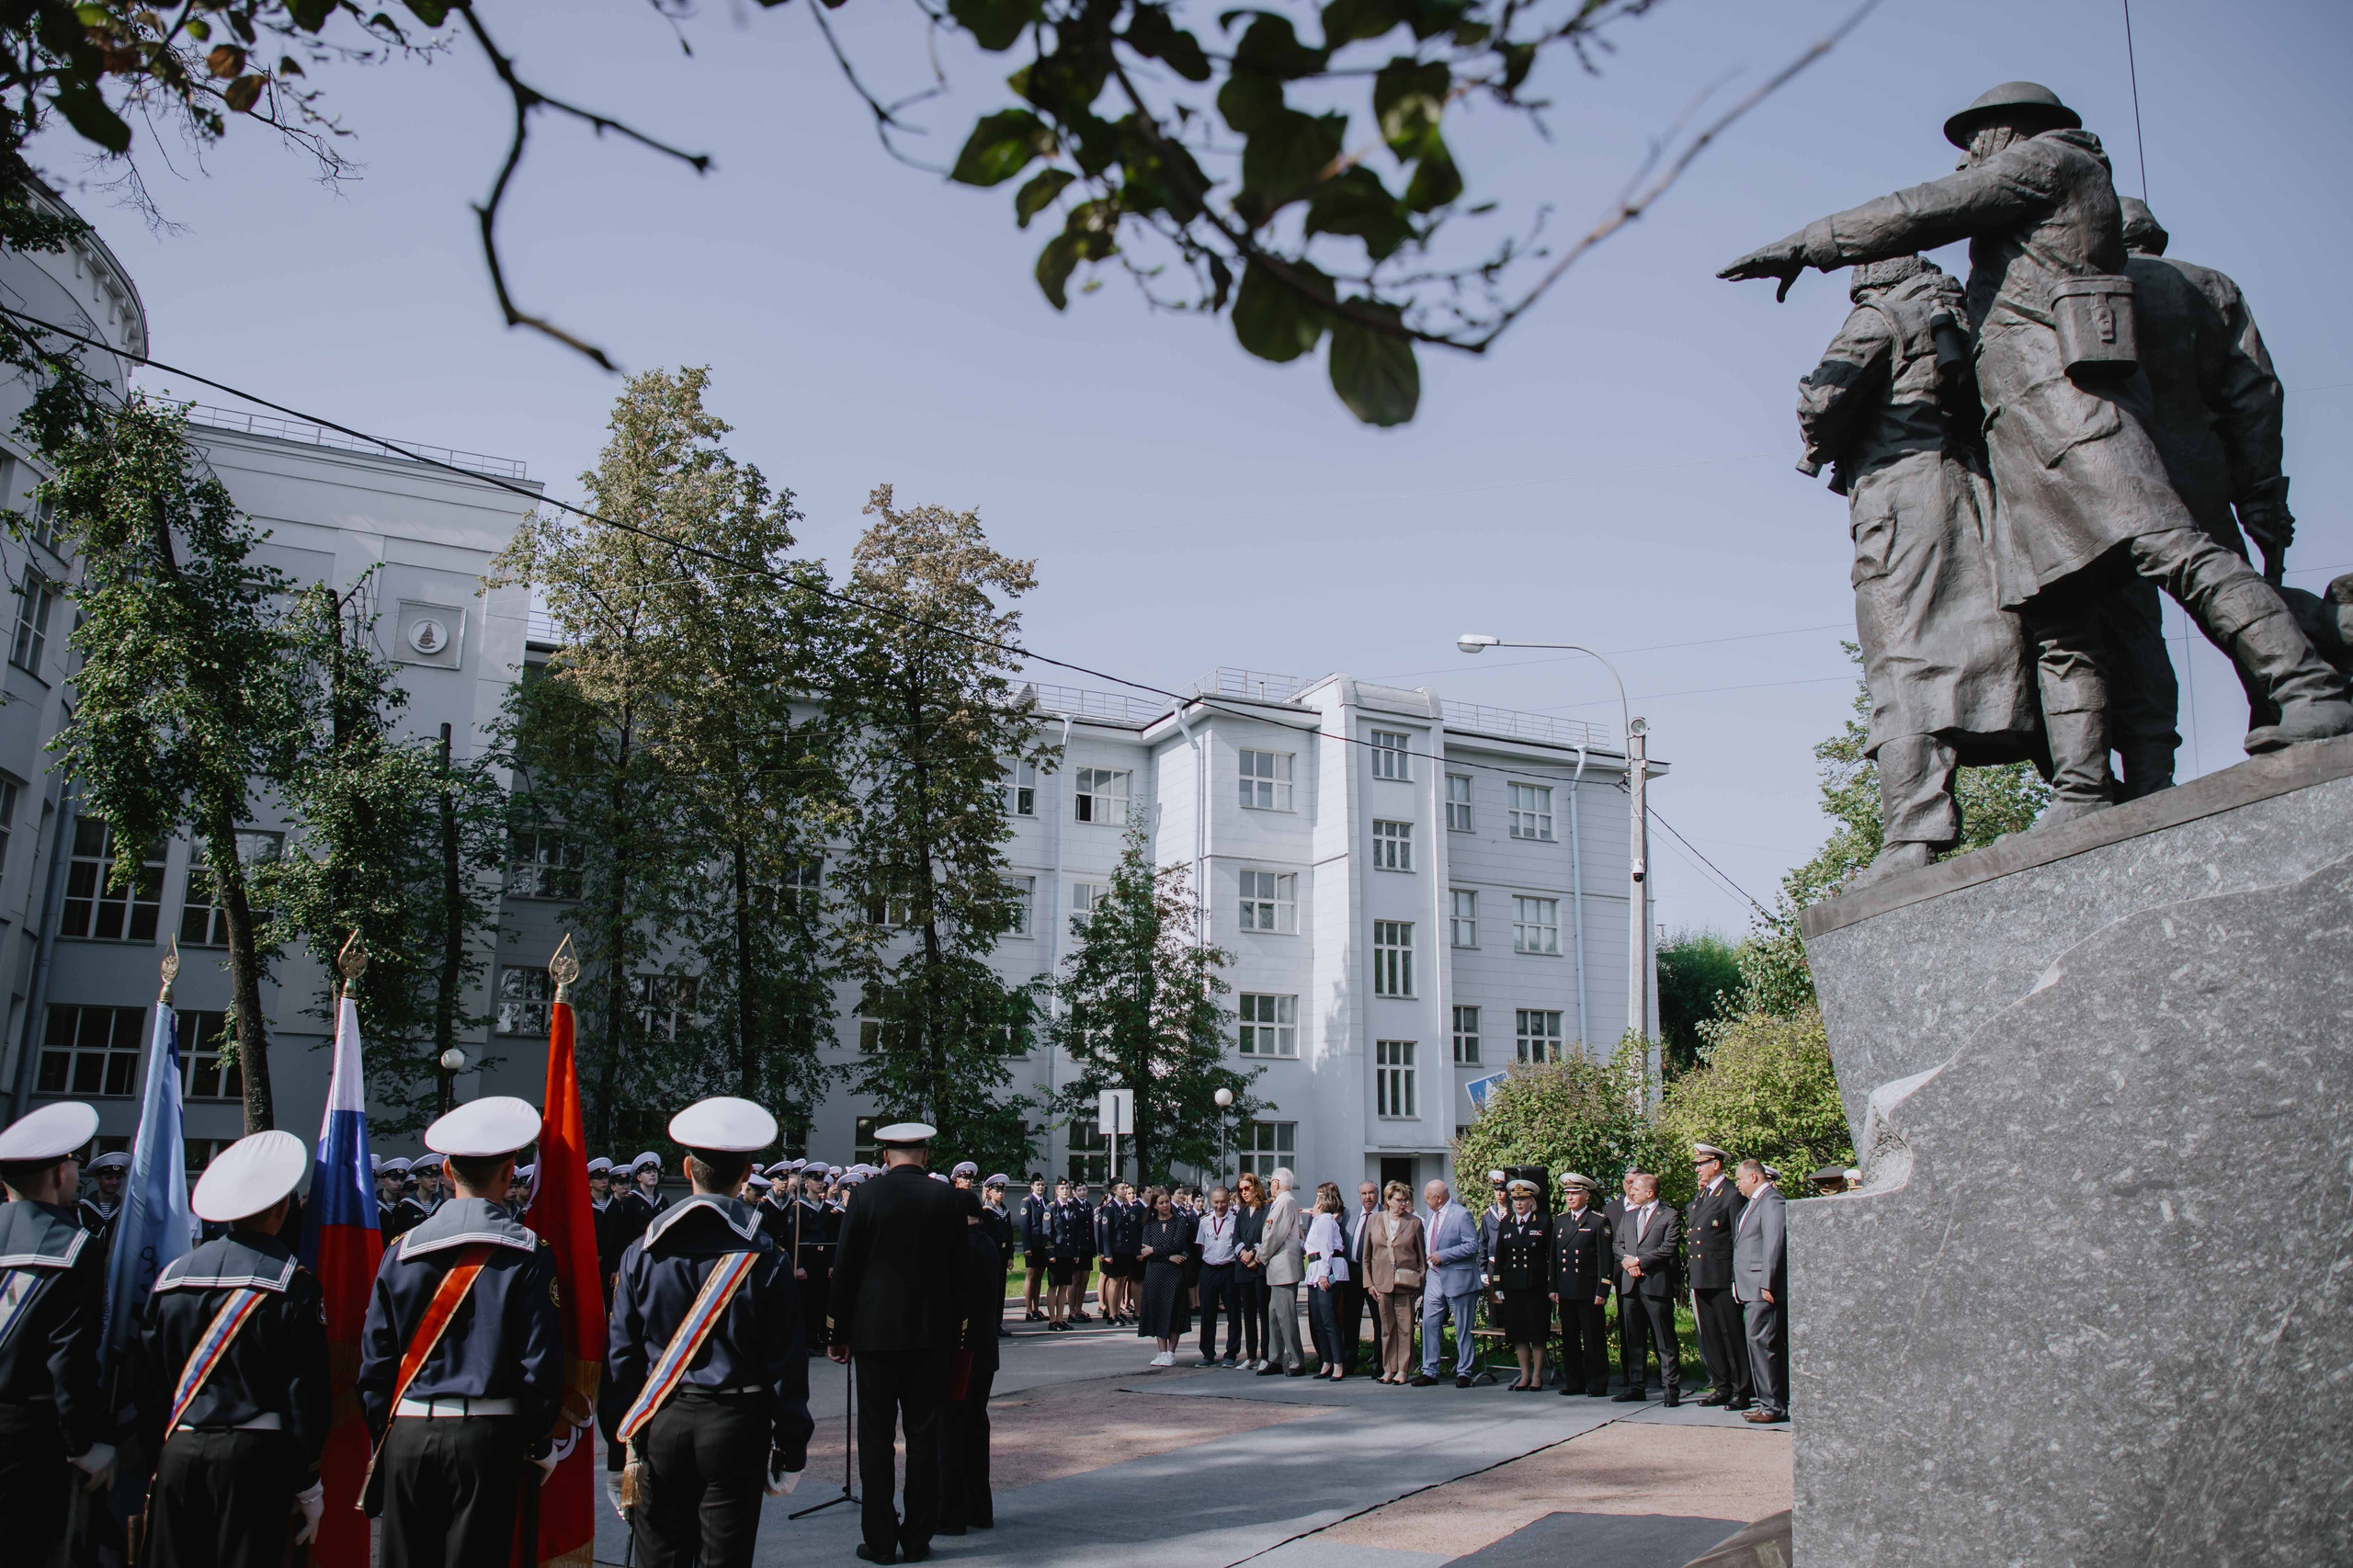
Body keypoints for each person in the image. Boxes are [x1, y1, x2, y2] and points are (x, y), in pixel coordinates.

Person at [1721, 80, 2353, 781]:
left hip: (2074, 418)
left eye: (1974, 146)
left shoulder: (2052, 162)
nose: (1967, 164)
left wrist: (1809, 244)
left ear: (2008, 133)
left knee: (2178, 555)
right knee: (2061, 622)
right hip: (2023, 441)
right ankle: (2082, 788)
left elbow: (1922, 210)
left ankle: (2308, 688)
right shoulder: (2024, 213)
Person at [1793, 253, 2044, 885]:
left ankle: (1911, 834)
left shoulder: (1880, 315)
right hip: (1977, 497)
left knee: (1901, 665)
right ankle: (2079, 776)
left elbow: (1823, 399)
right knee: (2014, 640)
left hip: (1901, 509)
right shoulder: (1961, 314)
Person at [356, 1096, 563, 1567]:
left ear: (447, 1171)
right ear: (510, 1174)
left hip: (407, 1431)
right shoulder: (527, 1252)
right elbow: (539, 1364)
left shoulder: (400, 1251)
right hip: (488, 1436)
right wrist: (537, 1439)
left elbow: (376, 1362)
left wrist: (384, 1435)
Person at [604, 1096, 809, 1568]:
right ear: (747, 1174)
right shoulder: (765, 1257)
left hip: (661, 1419)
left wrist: (618, 1450)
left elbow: (621, 1359)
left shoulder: (642, 1252)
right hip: (737, 1420)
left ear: (685, 1167)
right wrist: (792, 1442)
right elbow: (786, 1361)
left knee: (659, 1557)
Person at [133, 1130, 329, 1567]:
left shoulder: (172, 1278)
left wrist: (155, 1457)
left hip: (179, 1450)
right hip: (254, 1459)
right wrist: (308, 1481)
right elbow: (306, 1394)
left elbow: (146, 1384)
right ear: (281, 1209)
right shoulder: (292, 1283)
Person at [826, 1121, 969, 1565]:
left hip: (874, 1335)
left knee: (875, 1437)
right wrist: (958, 1334)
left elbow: (845, 1266)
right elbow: (960, 1273)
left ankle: (881, 1539)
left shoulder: (865, 1196)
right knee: (925, 1436)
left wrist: (838, 1332)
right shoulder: (947, 1198)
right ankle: (919, 1536)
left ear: (885, 1155)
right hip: (931, 1337)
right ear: (925, 1156)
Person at [0, 1101, 114, 1564]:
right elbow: (69, 1358)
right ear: (55, 1174)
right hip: (29, 1434)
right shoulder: (74, 1245)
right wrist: (82, 1444)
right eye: (72, 1162)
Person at [939, 1188, 1000, 1535]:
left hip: (961, 1351)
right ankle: (979, 1507)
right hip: (984, 1351)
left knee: (953, 1429)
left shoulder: (960, 1247)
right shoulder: (986, 1242)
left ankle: (952, 1512)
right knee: (976, 1427)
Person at [1686, 1143, 1753, 1410]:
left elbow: (1739, 1239)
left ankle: (1742, 1389)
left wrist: (1738, 1278)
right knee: (1711, 1335)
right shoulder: (1701, 1198)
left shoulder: (1731, 1195)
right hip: (1702, 1276)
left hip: (1723, 1276)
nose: (1698, 1170)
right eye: (1696, 1165)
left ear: (1716, 1164)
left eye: (1702, 1164)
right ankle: (1722, 1385)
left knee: (1731, 1334)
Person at [1609, 1172, 1682, 1406]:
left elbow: (1668, 1248)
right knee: (1634, 1339)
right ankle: (1636, 1386)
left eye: (1636, 1189)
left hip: (1655, 1285)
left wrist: (1638, 1261)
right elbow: (1617, 1243)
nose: (1631, 1192)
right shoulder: (1629, 1216)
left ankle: (1670, 1389)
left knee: (1664, 1340)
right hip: (1630, 1286)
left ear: (1649, 1192)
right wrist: (1627, 1262)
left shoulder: (1669, 1215)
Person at [1732, 1160, 1790, 1425]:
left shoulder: (1772, 1201)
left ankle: (1773, 1406)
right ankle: (1769, 1402)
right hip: (1749, 1286)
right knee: (1759, 1344)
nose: (1737, 1184)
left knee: (1763, 1344)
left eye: (1740, 1179)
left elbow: (1774, 1243)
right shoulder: (1751, 1205)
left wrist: (1767, 1281)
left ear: (1754, 1178)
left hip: (1761, 1288)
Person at [1549, 1173, 1614, 1398]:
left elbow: (1605, 1258)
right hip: (1566, 1290)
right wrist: (1553, 1286)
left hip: (1588, 1291)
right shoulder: (1560, 1220)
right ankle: (1574, 1382)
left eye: (1575, 1193)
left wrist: (1602, 1289)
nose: (1570, 1197)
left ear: (1586, 1195)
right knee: (1570, 1339)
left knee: (1593, 1339)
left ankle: (1597, 1383)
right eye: (1567, 1193)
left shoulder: (1598, 1221)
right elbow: (1554, 1257)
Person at [1416, 1178, 1483, 1388]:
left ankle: (1465, 1371)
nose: (1425, 1201)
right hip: (1434, 1277)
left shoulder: (1461, 1214)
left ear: (1439, 1197)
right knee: (1429, 1322)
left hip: (1458, 1278)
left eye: (1428, 1198)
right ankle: (1430, 1370)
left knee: (1463, 1327)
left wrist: (1444, 1255)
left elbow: (1472, 1245)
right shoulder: (1431, 1212)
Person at [1490, 1177, 1552, 1392]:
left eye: (1523, 1199)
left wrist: (1552, 1285)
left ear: (1531, 1201)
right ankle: (1524, 1374)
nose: (1518, 1203)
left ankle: (1537, 1375)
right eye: (1515, 1199)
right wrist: (1498, 1285)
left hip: (1536, 1286)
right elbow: (1500, 1256)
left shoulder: (1543, 1221)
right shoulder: (1506, 1223)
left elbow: (1550, 1255)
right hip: (1513, 1286)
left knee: (1537, 1332)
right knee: (1518, 1333)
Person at [1364, 1180, 1427, 1384]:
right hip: (1382, 1282)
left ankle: (1403, 1369)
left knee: (1405, 1328)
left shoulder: (1414, 1223)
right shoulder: (1374, 1221)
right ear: (1388, 1200)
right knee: (1386, 1328)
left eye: (1405, 1200)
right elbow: (1367, 1255)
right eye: (1399, 1200)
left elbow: (1421, 1258)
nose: (1403, 1203)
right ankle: (1388, 1368)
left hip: (1405, 1283)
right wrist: (1369, 1283)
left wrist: (1421, 1285)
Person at [1136, 1187, 1194, 1366]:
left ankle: (1171, 1352)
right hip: (1155, 1273)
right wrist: (1165, 1255)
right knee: (1158, 1310)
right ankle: (1161, 1352)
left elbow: (1176, 1245)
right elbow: (1146, 1251)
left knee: (1174, 1310)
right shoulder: (1149, 1224)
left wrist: (1155, 1250)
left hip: (1174, 1274)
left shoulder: (1179, 1222)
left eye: (1167, 1202)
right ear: (1154, 1205)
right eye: (1161, 1203)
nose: (1165, 1206)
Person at [1257, 1168, 1306, 1376]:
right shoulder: (1284, 1202)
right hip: (1278, 1268)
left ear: (1277, 1183)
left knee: (1286, 1316)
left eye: (1271, 1183)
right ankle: (1275, 1358)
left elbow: (1274, 1235)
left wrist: (1261, 1255)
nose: (1270, 1187)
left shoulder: (1285, 1202)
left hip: (1283, 1266)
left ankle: (1296, 1361)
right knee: (1274, 1315)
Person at [1296, 1183, 1347, 1381]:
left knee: (1328, 1319)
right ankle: (1326, 1360)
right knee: (1317, 1320)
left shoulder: (1326, 1220)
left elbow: (1326, 1248)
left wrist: (1324, 1274)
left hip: (1327, 1269)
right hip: (1314, 1269)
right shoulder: (1317, 1221)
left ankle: (1338, 1363)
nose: (1315, 1202)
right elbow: (1311, 1246)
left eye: (1319, 1199)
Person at [1191, 1185, 1242, 1367]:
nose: (1220, 1206)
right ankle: (1207, 1353)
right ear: (1211, 1202)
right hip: (1209, 1269)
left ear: (1229, 1201)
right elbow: (1201, 1245)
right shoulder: (1204, 1221)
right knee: (1207, 1312)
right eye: (1216, 1202)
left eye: (1223, 1202)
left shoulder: (1236, 1220)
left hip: (1229, 1269)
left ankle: (1231, 1353)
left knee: (1233, 1313)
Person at [1340, 1180, 1380, 1374]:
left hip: (1376, 1274)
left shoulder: (1384, 1215)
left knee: (1378, 1320)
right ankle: (1349, 1362)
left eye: (1371, 1193)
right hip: (1354, 1272)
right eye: (1364, 1193)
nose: (1368, 1197)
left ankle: (1379, 1364)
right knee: (1350, 1318)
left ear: (1377, 1194)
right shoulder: (1351, 1214)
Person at [1232, 1172, 1269, 1369]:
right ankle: (1251, 1355)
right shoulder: (1242, 1212)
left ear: (1256, 1187)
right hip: (1243, 1267)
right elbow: (1236, 1237)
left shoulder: (1266, 1209)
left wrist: (1254, 1254)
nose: (1244, 1193)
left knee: (1264, 1311)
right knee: (1248, 1314)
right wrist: (1243, 1254)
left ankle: (1266, 1355)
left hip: (1260, 1266)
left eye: (1247, 1188)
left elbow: (1267, 1236)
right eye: (1241, 1190)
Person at [1043, 1177, 1082, 1332]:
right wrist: (1050, 1252)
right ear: (1056, 1191)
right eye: (1062, 1189)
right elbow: (1047, 1232)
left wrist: (1076, 1252)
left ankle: (1060, 1318)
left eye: (1067, 1189)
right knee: (1053, 1285)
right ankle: (1052, 1320)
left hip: (1067, 1252)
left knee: (1064, 1286)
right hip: (1056, 1252)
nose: (1065, 1191)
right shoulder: (1051, 1208)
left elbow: (1076, 1232)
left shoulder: (1072, 1208)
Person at [980, 1175, 1016, 1339]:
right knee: (990, 1290)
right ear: (989, 1193)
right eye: (996, 1190)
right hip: (992, 1253)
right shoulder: (986, 1212)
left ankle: (998, 1323)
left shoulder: (1005, 1211)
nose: (1000, 1194)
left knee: (1000, 1290)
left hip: (1003, 1253)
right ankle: (988, 1325)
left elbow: (1009, 1235)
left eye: (1002, 1190)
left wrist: (1010, 1256)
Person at [1018, 1176, 1051, 1323]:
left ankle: (1036, 1308)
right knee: (1031, 1276)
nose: (1041, 1187)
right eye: (1038, 1185)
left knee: (1039, 1276)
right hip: (1032, 1244)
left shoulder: (1046, 1202)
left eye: (1042, 1185)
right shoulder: (1027, 1202)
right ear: (1032, 1186)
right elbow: (1024, 1227)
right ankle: (1028, 1310)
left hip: (1043, 1244)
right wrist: (1026, 1247)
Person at [77, 1148, 128, 1235]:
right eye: (109, 1178)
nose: (114, 1182)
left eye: (118, 1178)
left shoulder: (124, 1208)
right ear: (98, 1178)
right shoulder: (82, 1209)